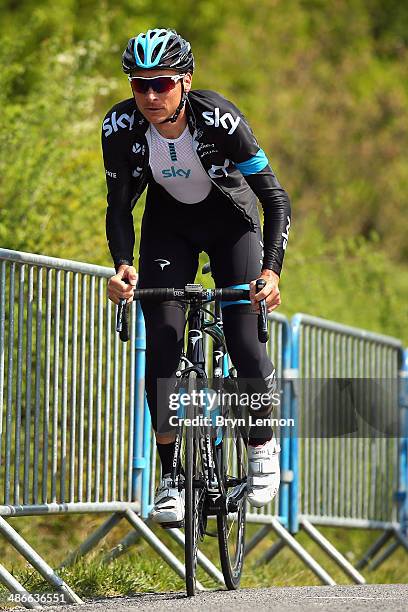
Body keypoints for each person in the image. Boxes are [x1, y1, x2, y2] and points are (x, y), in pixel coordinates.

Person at [103, 28, 291, 525]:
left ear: (185, 81)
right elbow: (119, 207)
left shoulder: (220, 119)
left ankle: (262, 443)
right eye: (139, 84)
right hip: (169, 229)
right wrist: (122, 263)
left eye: (161, 83)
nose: (149, 95)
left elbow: (275, 198)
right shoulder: (120, 126)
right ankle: (171, 477)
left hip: (232, 222)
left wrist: (271, 271)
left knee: (243, 340)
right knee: (163, 345)